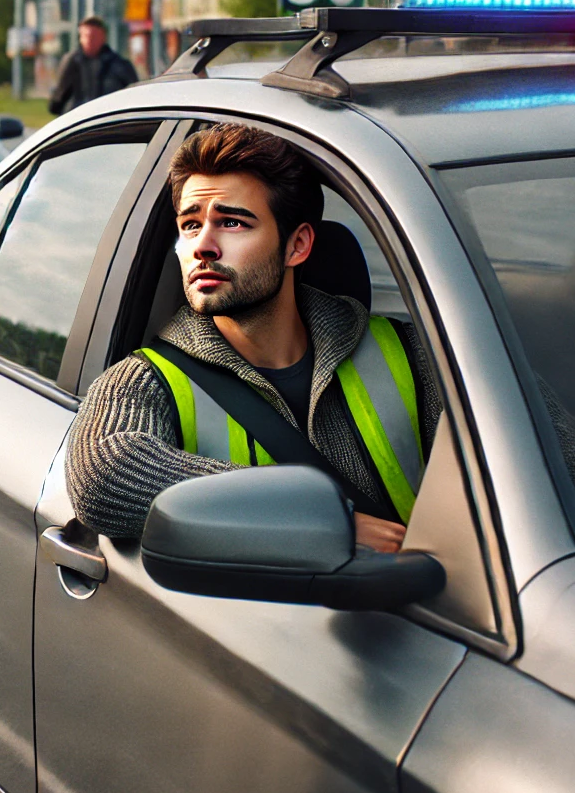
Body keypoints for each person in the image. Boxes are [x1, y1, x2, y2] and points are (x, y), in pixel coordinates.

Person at [66, 123, 437, 550]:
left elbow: (525, 442)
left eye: (232, 223)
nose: (203, 245)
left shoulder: (414, 354)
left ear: (297, 245)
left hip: (433, 610)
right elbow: (103, 477)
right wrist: (320, 519)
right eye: (190, 225)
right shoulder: (147, 379)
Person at [48, 15, 140, 116]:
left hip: (109, 121)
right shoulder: (72, 62)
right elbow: (58, 100)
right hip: (77, 121)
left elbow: (134, 96)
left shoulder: (119, 65)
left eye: (93, 36)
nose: (89, 40)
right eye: (85, 36)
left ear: (103, 37)